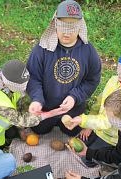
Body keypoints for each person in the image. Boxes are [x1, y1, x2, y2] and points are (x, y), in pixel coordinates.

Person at [64, 49, 121, 166]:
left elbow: (108, 122)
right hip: (98, 126)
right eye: (119, 71)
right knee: (77, 145)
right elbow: (100, 102)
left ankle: (106, 157)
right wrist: (89, 126)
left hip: (111, 137)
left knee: (86, 160)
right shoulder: (114, 80)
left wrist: (83, 120)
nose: (119, 75)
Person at [27, 0, 101, 137]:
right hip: (45, 107)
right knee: (39, 130)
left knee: (73, 131)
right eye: (62, 28)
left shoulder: (88, 52)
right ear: (55, 24)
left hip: (73, 108)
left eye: (71, 29)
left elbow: (92, 79)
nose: (66, 34)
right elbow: (32, 77)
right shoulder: (41, 49)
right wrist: (37, 99)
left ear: (80, 27)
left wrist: (75, 97)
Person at [0, 59, 63, 146]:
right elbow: (21, 120)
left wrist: (20, 129)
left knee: (12, 132)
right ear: (11, 85)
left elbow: (17, 105)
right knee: (0, 144)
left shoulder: (5, 81)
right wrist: (50, 114)